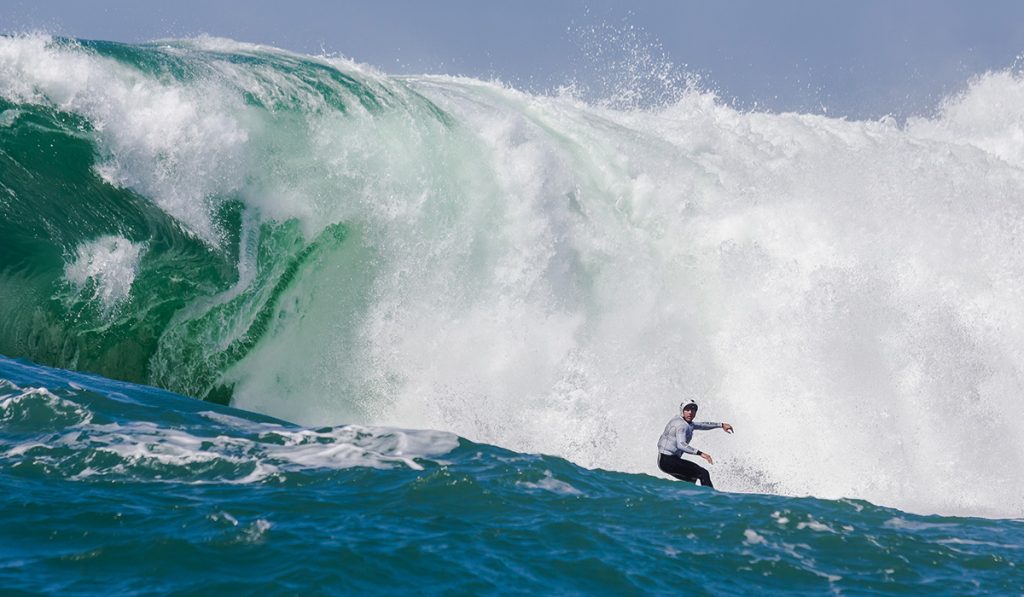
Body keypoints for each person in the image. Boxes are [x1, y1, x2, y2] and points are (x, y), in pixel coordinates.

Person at [657, 401, 733, 488]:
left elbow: (701, 425)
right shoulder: (681, 425)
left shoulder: (686, 422)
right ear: (682, 411)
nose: (690, 412)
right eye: (687, 410)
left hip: (664, 461)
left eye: (693, 410)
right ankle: (711, 497)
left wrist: (721, 425)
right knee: (703, 473)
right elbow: (681, 445)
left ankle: (690, 498)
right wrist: (701, 454)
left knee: (691, 479)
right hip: (668, 461)